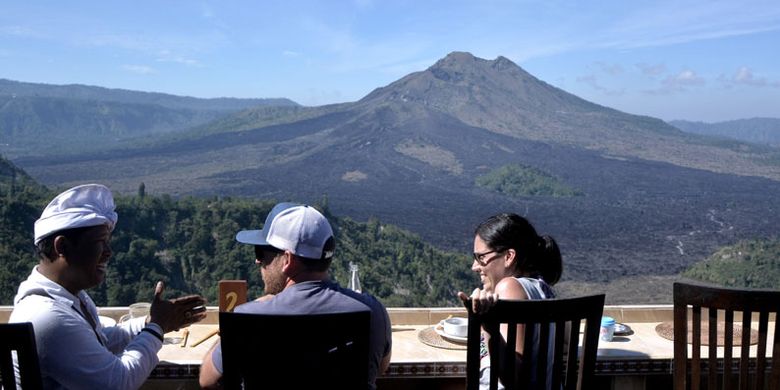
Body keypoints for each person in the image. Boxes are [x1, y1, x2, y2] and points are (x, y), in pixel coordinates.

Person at [10, 183, 208, 389]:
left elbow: (99, 340)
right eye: (100, 242)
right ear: (62, 247)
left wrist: (152, 321)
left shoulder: (66, 297)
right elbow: (119, 382)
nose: (108, 252)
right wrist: (156, 328)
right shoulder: (48, 317)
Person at [199, 202, 392, 389]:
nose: (258, 262)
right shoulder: (374, 312)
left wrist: (228, 328)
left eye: (261, 253)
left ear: (288, 260)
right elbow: (379, 369)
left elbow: (207, 381)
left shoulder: (247, 317)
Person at [457, 213, 563, 389]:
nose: (474, 266)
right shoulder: (543, 288)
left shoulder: (509, 287)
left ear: (508, 256)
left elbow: (514, 378)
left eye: (481, 257)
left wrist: (489, 324)